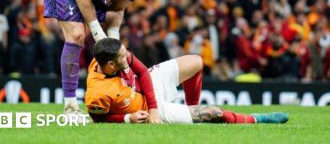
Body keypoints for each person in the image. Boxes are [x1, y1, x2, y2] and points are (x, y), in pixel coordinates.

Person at [40, 0, 181, 119]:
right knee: (76, 35)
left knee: (112, 18)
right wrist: (101, 38)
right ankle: (70, 106)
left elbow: (117, 8)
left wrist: (114, 44)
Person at [85, 38, 289, 124]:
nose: (127, 55)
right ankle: (257, 119)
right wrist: (128, 119)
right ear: (111, 65)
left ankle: (192, 109)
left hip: (150, 88)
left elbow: (143, 73)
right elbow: (99, 121)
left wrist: (154, 106)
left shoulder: (109, 54)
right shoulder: (98, 93)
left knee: (196, 62)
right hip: (147, 110)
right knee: (214, 113)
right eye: (123, 56)